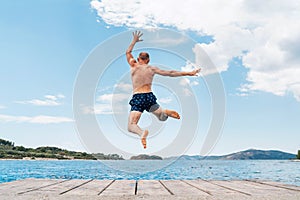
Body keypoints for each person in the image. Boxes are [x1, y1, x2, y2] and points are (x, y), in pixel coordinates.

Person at [126, 31, 200, 149]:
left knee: (131, 125)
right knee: (162, 118)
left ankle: (142, 133)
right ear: (148, 60)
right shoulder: (152, 69)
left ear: (138, 59)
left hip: (138, 97)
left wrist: (134, 41)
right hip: (149, 96)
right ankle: (165, 111)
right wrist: (189, 73)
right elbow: (170, 73)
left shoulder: (133, 65)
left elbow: (128, 52)